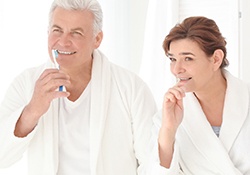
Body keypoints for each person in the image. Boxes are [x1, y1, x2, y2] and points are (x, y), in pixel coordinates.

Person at [0, 0, 158, 174]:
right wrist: (32, 111)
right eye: (57, 30)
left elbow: (151, 161)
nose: (63, 42)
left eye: (76, 33)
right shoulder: (25, 84)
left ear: (97, 39)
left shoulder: (132, 88)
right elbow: (3, 156)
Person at [148, 16, 250, 174]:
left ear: (216, 59)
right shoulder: (165, 118)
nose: (177, 69)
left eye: (188, 58)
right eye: (173, 59)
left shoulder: (246, 99)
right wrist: (168, 129)